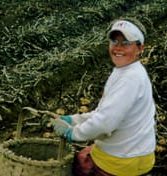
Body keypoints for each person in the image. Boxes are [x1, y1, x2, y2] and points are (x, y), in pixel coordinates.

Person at [52, 17, 156, 176]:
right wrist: (73, 120)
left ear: (140, 48)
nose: (118, 48)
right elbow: (103, 113)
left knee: (79, 165)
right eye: (114, 41)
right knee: (84, 155)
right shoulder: (126, 71)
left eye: (126, 43)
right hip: (134, 153)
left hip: (125, 161)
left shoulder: (130, 79)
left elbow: (105, 123)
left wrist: (72, 133)